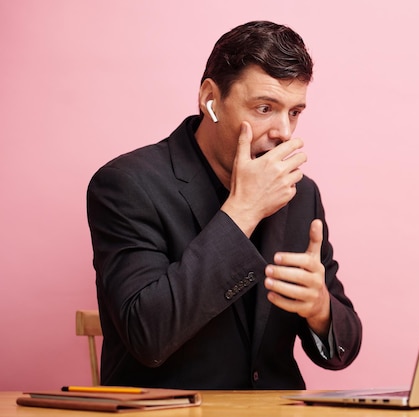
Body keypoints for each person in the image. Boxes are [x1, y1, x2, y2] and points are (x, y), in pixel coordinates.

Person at [86, 20, 362, 390]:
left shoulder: (301, 194)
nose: (284, 131)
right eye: (265, 108)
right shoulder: (127, 185)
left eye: (295, 112)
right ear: (210, 99)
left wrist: (320, 309)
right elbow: (148, 335)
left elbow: (344, 345)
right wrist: (243, 211)